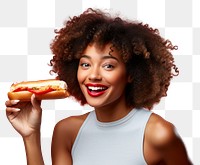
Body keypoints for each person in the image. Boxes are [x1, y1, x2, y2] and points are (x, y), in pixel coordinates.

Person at [5, 8, 192, 165]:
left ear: (130, 74)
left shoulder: (158, 134)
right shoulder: (67, 131)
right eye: (85, 64)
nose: (93, 75)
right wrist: (30, 135)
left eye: (108, 65)